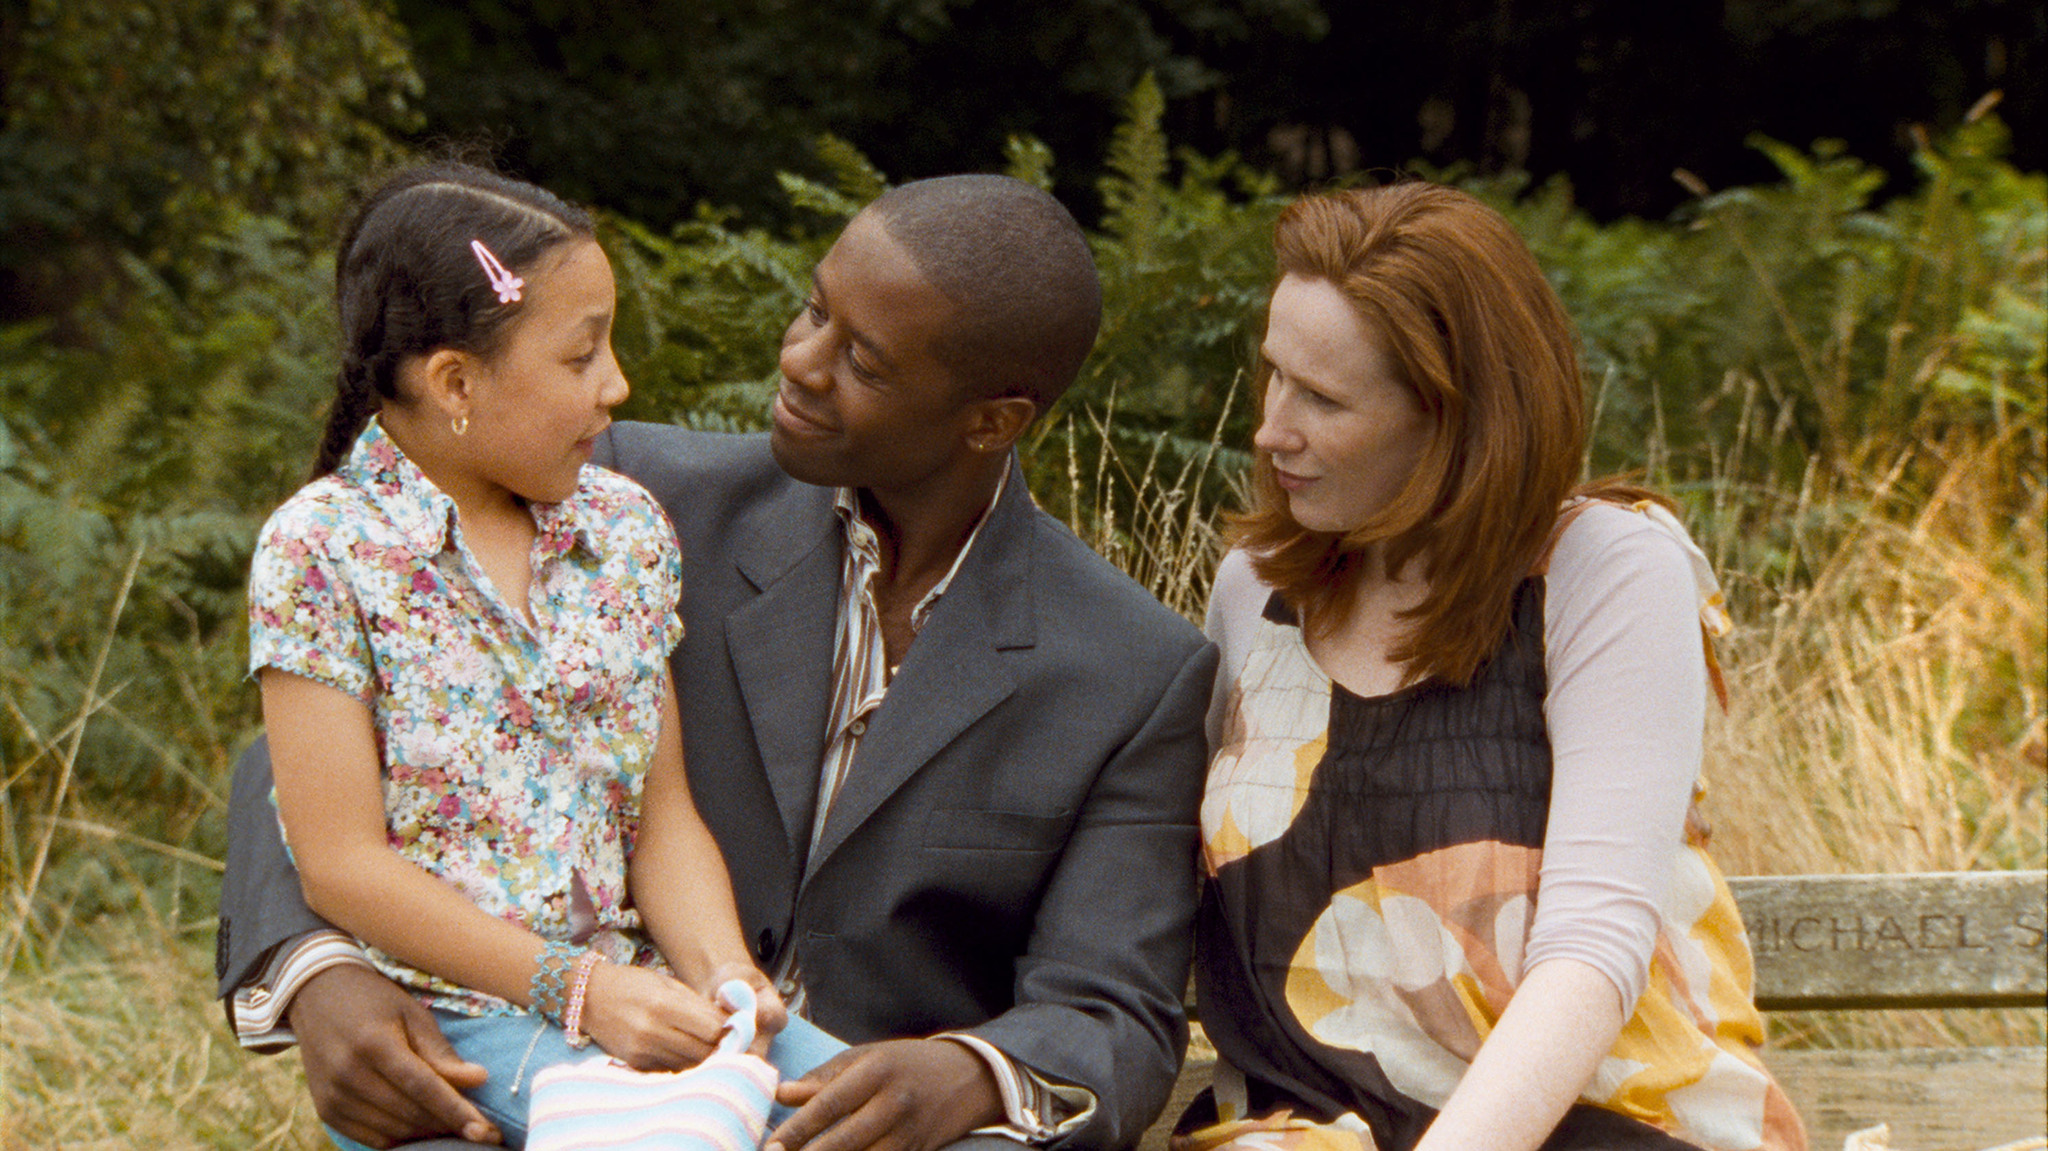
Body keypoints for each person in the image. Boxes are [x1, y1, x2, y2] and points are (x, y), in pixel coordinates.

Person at [217, 173, 1218, 1151]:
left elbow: (1115, 1013)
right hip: (534, 1051)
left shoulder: (1132, 667)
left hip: (834, 1101)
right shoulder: (613, 489)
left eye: (862, 360)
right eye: (810, 309)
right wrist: (316, 967)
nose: (797, 360)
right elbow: (319, 758)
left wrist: (963, 1074)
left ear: (990, 418)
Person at [1184, 183, 1807, 1151]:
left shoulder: (1602, 570)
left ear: (1450, 419)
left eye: (1322, 397)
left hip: (1585, 1127)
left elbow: (1591, 949)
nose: (1270, 429)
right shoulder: (1253, 592)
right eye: (1272, 375)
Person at [244, 161, 848, 1149]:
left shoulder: (623, 529)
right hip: (455, 1021)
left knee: (878, 1115)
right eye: (581, 356)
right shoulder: (320, 549)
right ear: (454, 383)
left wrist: (723, 968)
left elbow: (659, 817)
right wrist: (576, 992)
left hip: (636, 997)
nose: (618, 386)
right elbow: (342, 864)